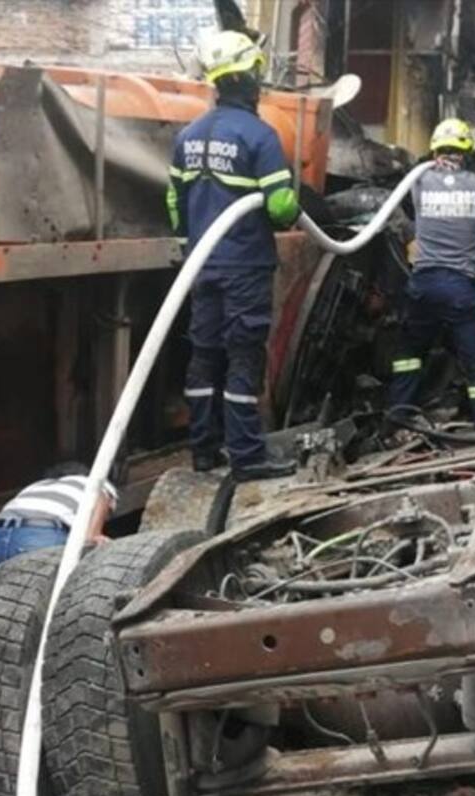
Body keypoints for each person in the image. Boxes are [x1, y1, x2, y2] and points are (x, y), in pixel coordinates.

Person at [167, 30, 299, 481]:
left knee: (204, 354)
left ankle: (203, 451)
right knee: (243, 355)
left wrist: (191, 240)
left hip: (202, 264)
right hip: (244, 265)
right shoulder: (260, 137)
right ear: (248, 79)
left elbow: (173, 203)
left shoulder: (188, 135)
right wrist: (293, 209)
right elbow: (281, 207)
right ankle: (247, 456)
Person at [388, 118, 475, 430]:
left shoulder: (419, 182)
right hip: (461, 288)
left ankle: (397, 416)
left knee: (409, 354)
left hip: (423, 284)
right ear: (467, 150)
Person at [0, 463, 117, 577]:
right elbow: (101, 496)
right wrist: (93, 536)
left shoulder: (36, 486)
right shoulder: (91, 481)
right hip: (38, 539)